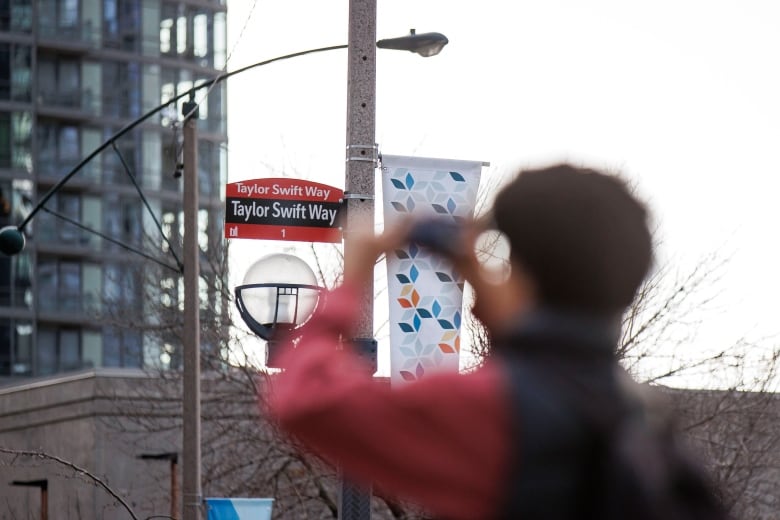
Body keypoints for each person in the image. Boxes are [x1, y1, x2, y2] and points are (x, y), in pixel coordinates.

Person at [266, 163, 723, 519]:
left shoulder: (490, 408)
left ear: (520, 271)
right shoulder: (638, 413)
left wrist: (354, 277)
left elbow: (306, 402)